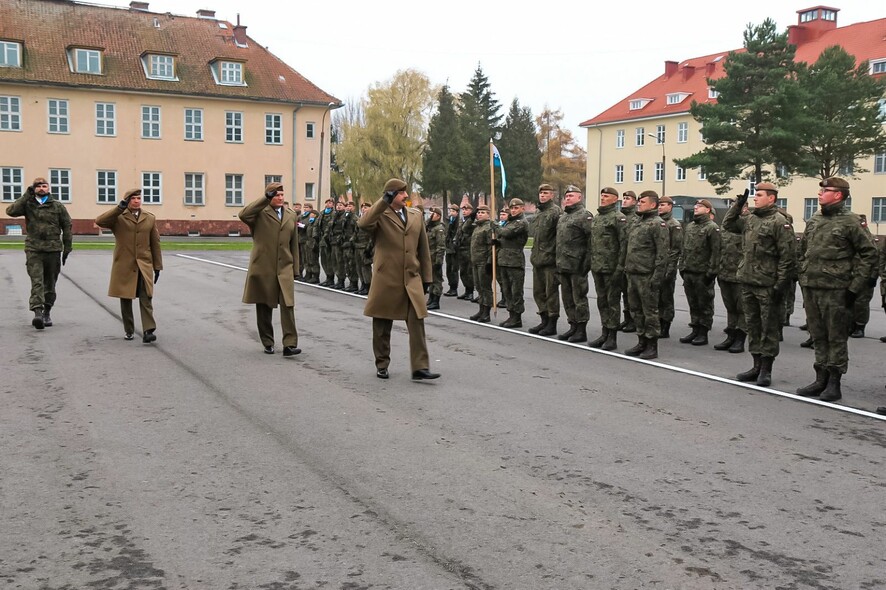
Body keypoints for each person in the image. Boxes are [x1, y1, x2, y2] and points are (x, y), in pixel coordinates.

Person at [795, 177, 877, 402]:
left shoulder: (851, 222)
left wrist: (855, 287)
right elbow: (803, 251)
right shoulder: (814, 220)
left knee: (836, 337)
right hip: (812, 288)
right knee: (818, 335)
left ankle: (834, 383)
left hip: (837, 290)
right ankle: (820, 378)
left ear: (838, 195)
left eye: (825, 190)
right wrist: (803, 275)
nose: (820, 194)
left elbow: (869, 254)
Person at [358, 179, 439, 381]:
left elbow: (424, 249)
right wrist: (382, 202)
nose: (405, 196)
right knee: (382, 325)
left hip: (411, 278)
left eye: (405, 192)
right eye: (401, 193)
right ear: (391, 195)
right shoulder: (380, 215)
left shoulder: (416, 215)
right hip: (387, 278)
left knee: (417, 322)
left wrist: (427, 277)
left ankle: (420, 367)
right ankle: (382, 363)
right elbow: (363, 224)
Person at [722, 183, 796, 386]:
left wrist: (781, 284)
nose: (755, 198)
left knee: (768, 328)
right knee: (753, 326)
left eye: (759, 195)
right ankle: (755, 365)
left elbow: (788, 257)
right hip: (747, 281)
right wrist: (738, 204)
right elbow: (728, 224)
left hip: (767, 284)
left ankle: (766, 369)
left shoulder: (780, 222)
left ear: (771, 198)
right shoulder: (751, 219)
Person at [238, 182, 301, 356]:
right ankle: (268, 341)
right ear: (269, 196)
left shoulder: (290, 215)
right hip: (263, 266)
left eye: (282, 195)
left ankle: (289, 344)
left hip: (285, 267)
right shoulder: (259, 213)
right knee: (264, 306)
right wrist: (264, 199)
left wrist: (296, 268)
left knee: (288, 305)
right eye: (276, 195)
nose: (280, 198)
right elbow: (243, 214)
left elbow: (294, 244)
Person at [94, 189, 163, 342]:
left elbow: (155, 243)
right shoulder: (118, 218)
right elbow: (100, 221)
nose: (137, 201)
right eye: (133, 198)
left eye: (139, 198)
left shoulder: (149, 218)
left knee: (146, 297)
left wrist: (157, 266)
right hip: (124, 264)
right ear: (127, 200)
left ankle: (148, 330)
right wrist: (119, 208)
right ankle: (129, 329)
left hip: (144, 264)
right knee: (126, 298)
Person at [6, 176, 72, 329]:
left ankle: (47, 311)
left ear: (49, 188)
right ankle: (38, 313)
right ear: (33, 188)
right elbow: (11, 211)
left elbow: (67, 227)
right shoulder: (28, 204)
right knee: (37, 282)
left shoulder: (57, 206)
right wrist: (26, 195)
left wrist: (67, 248)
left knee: (50, 283)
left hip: (53, 249)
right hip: (34, 249)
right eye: (38, 186)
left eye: (44, 186)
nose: (41, 188)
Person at [623, 190, 668, 359]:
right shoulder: (637, 222)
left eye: (643, 201)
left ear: (653, 205)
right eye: (639, 201)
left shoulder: (658, 224)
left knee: (650, 312)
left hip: (647, 275)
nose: (639, 203)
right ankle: (641, 341)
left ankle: (651, 345)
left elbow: (662, 253)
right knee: (636, 310)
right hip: (633, 273)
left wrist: (656, 278)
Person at [588, 187, 627, 350]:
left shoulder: (619, 218)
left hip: (612, 267)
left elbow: (624, 244)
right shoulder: (597, 217)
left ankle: (612, 336)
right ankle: (604, 332)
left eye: (606, 196)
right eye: (602, 195)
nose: (603, 198)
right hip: (598, 266)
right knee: (602, 301)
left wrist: (620, 267)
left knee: (612, 302)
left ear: (615, 199)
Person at [677, 200, 721, 346]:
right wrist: (682, 267)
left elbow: (716, 252)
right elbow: (684, 248)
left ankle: (703, 332)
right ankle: (695, 329)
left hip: (703, 273)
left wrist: (711, 272)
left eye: (700, 206)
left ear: (708, 210)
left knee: (705, 304)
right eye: (696, 206)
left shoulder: (712, 228)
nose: (696, 208)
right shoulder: (690, 226)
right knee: (693, 303)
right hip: (689, 271)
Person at [555, 185, 594, 343]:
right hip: (563, 264)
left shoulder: (584, 215)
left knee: (579, 298)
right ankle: (573, 325)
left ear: (580, 197)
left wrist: (586, 263)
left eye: (571, 196)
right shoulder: (563, 216)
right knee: (567, 298)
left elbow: (591, 241)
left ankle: (581, 329)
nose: (568, 198)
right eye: (567, 196)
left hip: (577, 264)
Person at [528, 183, 561, 336]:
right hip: (538, 258)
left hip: (550, 259)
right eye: (541, 193)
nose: (542, 195)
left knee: (551, 292)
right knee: (538, 292)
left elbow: (559, 237)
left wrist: (554, 254)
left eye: (546, 193)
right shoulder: (538, 213)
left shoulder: (555, 212)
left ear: (552, 195)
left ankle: (552, 323)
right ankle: (544, 319)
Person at [714, 205, 747, 353]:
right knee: (731, 308)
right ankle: (731, 335)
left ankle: (740, 338)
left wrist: (740, 209)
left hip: (739, 275)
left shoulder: (746, 225)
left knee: (741, 309)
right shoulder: (727, 228)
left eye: (742, 205)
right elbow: (727, 222)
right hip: (725, 273)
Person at [495, 198, 529, 328]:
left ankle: (517, 317)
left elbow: (507, 233)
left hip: (515, 261)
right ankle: (511, 315)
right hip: (504, 260)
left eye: (516, 208)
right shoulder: (510, 222)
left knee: (516, 291)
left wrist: (496, 226)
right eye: (512, 208)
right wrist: (498, 243)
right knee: (506, 289)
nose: (513, 210)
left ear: (522, 208)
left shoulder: (521, 223)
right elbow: (504, 238)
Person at [657, 196, 683, 338]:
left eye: (663, 205)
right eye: (659, 204)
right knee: (656, 297)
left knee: (666, 298)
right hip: (656, 266)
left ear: (670, 207)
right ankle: (657, 322)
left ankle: (665, 325)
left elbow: (676, 249)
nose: (660, 207)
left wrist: (670, 268)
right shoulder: (657, 222)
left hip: (667, 267)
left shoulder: (673, 224)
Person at [849, 214, 878, 338]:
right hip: (851, 275)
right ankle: (851, 325)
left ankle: (860, 326)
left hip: (865, 275)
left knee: (862, 303)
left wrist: (874, 275)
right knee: (851, 302)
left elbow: (875, 258)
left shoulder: (869, 238)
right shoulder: (852, 237)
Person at [617, 190, 639, 333]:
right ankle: (627, 318)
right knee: (624, 292)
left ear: (635, 202)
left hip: (630, 261)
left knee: (631, 293)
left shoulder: (635, 218)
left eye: (628, 198)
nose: (625, 201)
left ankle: (633, 320)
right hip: (619, 260)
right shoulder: (620, 217)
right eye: (624, 198)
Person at [469, 205, 495, 323]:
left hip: (484, 262)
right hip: (475, 260)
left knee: (485, 288)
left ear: (488, 214)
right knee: (478, 287)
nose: (480, 214)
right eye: (478, 212)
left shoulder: (488, 228)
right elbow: (465, 229)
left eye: (483, 212)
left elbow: (491, 247)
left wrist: (490, 262)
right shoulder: (477, 227)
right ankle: (481, 309)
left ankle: (486, 312)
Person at [425, 207, 446, 310]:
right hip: (429, 257)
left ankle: (436, 301)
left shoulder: (439, 229)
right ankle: (431, 298)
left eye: (432, 214)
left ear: (438, 216)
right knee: (430, 279)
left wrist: (439, 260)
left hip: (435, 257)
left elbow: (441, 246)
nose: (430, 215)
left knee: (436, 279)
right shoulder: (430, 227)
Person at [454, 202, 476, 300]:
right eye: (463, 210)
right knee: (463, 272)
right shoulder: (462, 220)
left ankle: (470, 291)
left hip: (468, 249)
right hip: (461, 249)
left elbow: (467, 227)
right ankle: (467, 290)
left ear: (471, 211)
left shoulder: (471, 221)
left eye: (466, 210)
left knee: (469, 271)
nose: (464, 211)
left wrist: (472, 215)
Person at [353, 201, 374, 295]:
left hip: (366, 246)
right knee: (359, 266)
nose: (363, 209)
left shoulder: (372, 219)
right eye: (362, 207)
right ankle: (363, 284)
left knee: (365, 267)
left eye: (366, 207)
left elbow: (372, 235)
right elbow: (356, 232)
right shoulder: (360, 219)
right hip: (358, 245)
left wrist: (369, 248)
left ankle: (368, 285)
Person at [443, 203, 461, 297]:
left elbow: (456, 234)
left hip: (455, 249)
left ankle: (454, 288)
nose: (451, 213)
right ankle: (451, 287)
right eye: (450, 211)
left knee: (454, 269)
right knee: (448, 269)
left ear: (457, 213)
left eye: (453, 211)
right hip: (448, 247)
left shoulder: (458, 222)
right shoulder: (448, 221)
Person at [341, 201, 359, 292]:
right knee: (347, 264)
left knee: (352, 265)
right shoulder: (345, 218)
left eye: (350, 206)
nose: (348, 208)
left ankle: (354, 283)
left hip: (351, 245)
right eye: (347, 206)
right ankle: (351, 282)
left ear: (354, 207)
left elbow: (356, 232)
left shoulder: (355, 218)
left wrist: (351, 242)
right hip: (344, 244)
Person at [329, 200, 347, 289]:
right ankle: (338, 279)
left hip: (340, 242)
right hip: (333, 241)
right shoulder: (335, 216)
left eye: (341, 205)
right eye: (337, 205)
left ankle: (341, 280)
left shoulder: (345, 216)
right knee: (334, 261)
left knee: (340, 262)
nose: (338, 207)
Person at [317, 198, 336, 286]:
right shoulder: (322, 213)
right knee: (323, 259)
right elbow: (318, 224)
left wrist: (326, 236)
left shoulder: (334, 214)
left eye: (331, 203)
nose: (329, 204)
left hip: (329, 239)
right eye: (328, 202)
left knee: (329, 259)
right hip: (322, 239)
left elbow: (331, 226)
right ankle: (327, 276)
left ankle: (331, 278)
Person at [303, 209, 321, 284]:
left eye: (312, 214)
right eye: (310, 214)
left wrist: (315, 244)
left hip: (314, 243)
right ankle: (308, 274)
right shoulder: (310, 222)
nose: (310, 215)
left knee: (313, 260)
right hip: (308, 242)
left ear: (316, 215)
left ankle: (315, 276)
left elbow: (316, 234)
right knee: (308, 259)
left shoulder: (316, 223)